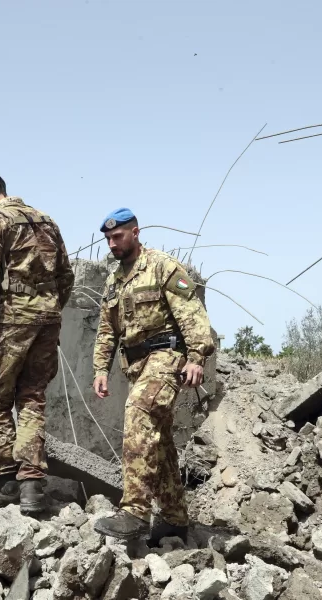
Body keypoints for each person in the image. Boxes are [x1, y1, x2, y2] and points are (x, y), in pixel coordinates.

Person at [91, 208, 215, 543]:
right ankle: (175, 518)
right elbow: (106, 330)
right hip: (136, 366)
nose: (112, 244)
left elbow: (192, 312)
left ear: (135, 232)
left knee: (139, 413)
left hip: (167, 356)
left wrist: (196, 357)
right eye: (108, 239)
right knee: (159, 445)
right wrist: (100, 369)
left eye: (118, 237)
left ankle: (134, 511)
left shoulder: (162, 266)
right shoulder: (114, 281)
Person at [0, 172, 75, 514]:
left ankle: (7, 482)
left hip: (9, 323)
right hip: (47, 322)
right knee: (32, 399)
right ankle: (32, 488)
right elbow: (66, 276)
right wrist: (47, 309)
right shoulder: (47, 221)